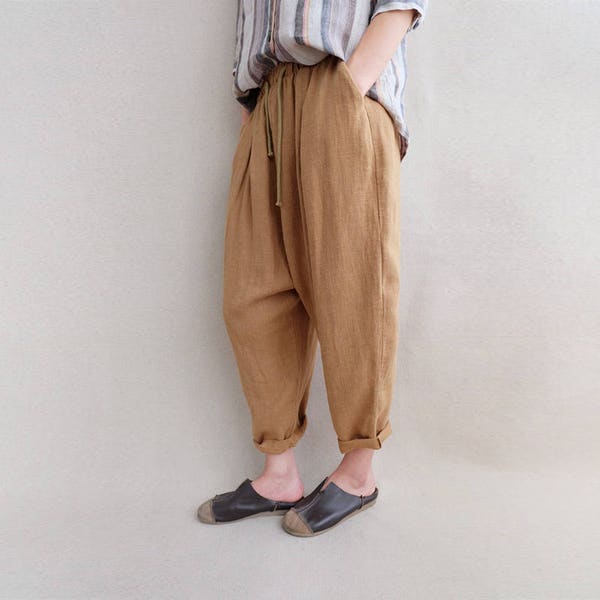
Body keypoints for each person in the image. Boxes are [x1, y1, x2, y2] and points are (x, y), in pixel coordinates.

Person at [198, 0, 428, 537]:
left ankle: (358, 474)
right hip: (269, 99)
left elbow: (400, 4)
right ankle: (279, 475)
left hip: (341, 87)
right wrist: (251, 108)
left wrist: (350, 86)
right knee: (253, 296)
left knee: (354, 290)